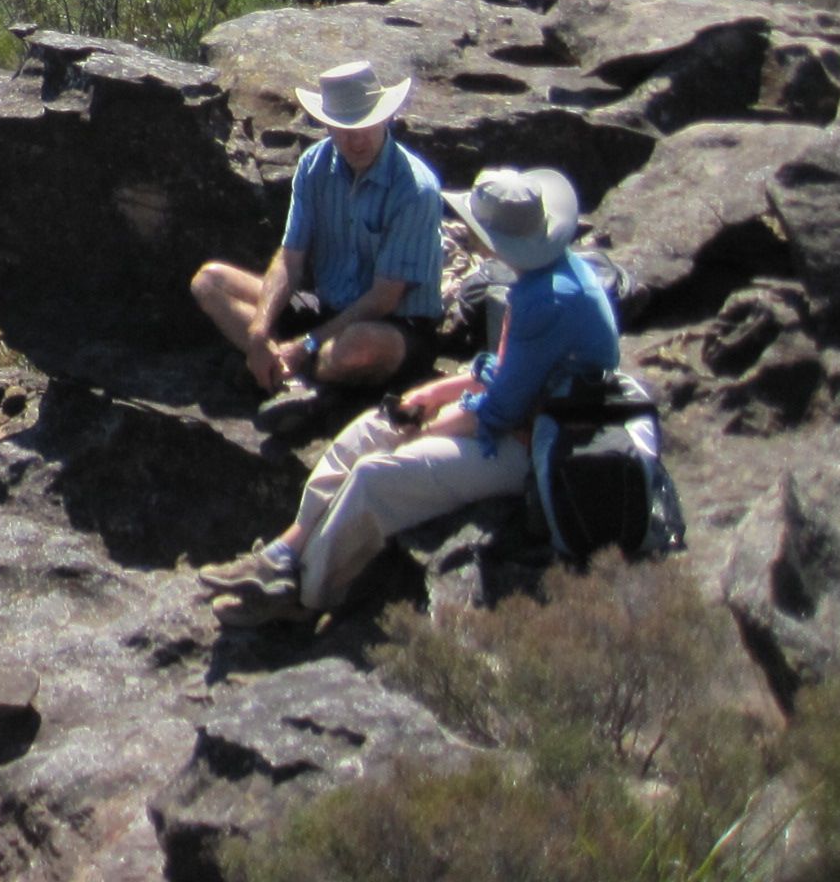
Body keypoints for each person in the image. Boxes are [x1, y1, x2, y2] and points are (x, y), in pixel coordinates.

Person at [202, 166, 622, 626]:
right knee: (370, 430)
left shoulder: (546, 300)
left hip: (532, 444)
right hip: (517, 410)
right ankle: (284, 553)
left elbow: (501, 413)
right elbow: (506, 372)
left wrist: (424, 428)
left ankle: (305, 596)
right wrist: (434, 393)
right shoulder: (547, 274)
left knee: (376, 476)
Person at [188, 58, 447, 435]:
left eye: (364, 126)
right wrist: (260, 332)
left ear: (385, 119)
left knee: (353, 348)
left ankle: (289, 373)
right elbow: (290, 259)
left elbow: (384, 298)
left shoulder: (415, 189)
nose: (355, 139)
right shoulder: (314, 166)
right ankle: (281, 366)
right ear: (327, 124)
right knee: (209, 283)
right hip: (325, 306)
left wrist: (306, 344)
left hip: (394, 324)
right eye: (342, 128)